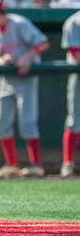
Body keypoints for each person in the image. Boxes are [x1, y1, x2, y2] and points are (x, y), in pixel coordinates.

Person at [0, 0, 50, 179]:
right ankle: (11, 165)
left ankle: (36, 165)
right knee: (1, 123)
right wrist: (1, 61)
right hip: (7, 79)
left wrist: (27, 57)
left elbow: (43, 43)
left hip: (26, 78)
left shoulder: (19, 22)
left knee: (27, 122)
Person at [60, 11, 80, 178]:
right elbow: (77, 56)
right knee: (75, 121)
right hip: (78, 77)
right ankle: (67, 163)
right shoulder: (74, 22)